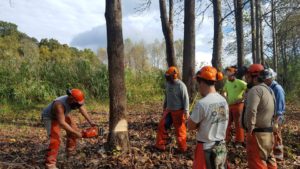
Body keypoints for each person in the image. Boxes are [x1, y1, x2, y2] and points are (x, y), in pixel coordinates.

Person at [41, 88, 96, 169]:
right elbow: (62, 123)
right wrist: (75, 133)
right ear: (71, 99)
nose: (77, 106)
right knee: (55, 139)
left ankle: (70, 152)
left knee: (74, 130)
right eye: (77, 104)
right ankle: (50, 164)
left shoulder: (75, 99)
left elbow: (82, 108)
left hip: (63, 114)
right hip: (50, 117)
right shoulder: (59, 105)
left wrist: (91, 122)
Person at [187, 66, 229, 169]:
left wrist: (189, 119)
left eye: (198, 83)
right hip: (220, 147)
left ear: (201, 82)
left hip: (205, 148)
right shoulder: (223, 101)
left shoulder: (202, 104)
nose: (198, 87)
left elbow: (190, 126)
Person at [242, 64, 277, 169]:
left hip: (257, 133)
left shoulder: (255, 90)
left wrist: (250, 128)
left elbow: (251, 110)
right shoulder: (269, 89)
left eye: (248, 76)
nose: (246, 78)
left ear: (255, 76)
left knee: (257, 162)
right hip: (268, 132)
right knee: (269, 159)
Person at [154, 66, 189, 153]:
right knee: (162, 126)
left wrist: (186, 111)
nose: (167, 78)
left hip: (179, 111)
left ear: (174, 75)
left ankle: (182, 148)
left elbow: (186, 98)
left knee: (180, 131)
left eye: (169, 76)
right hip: (169, 110)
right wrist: (164, 106)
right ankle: (160, 145)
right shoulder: (168, 84)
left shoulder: (181, 85)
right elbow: (167, 96)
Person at [263, 68, 285, 161]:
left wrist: (276, 121)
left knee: (276, 136)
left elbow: (280, 107)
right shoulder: (268, 87)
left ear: (272, 78)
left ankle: (279, 156)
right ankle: (272, 155)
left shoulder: (277, 88)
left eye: (267, 79)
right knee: (271, 136)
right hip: (270, 116)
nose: (265, 80)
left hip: (277, 117)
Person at [223, 66, 247, 146]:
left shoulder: (240, 82)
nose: (229, 77)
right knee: (227, 122)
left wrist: (242, 98)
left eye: (230, 75)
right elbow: (225, 91)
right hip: (229, 105)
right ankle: (226, 139)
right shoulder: (227, 83)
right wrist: (225, 95)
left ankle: (239, 141)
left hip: (238, 105)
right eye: (227, 75)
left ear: (234, 75)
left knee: (238, 123)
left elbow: (248, 89)